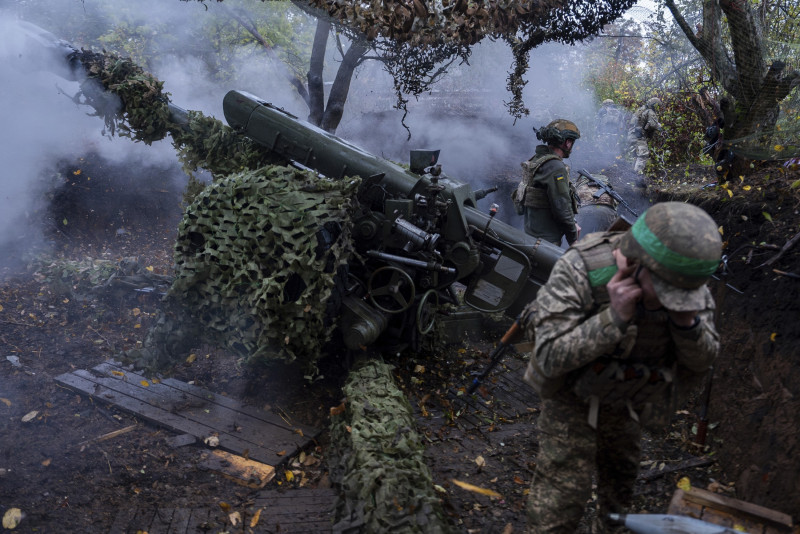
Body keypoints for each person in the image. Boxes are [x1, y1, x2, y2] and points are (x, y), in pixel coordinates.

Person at [522, 202, 722, 534]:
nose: (674, 302)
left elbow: (704, 360)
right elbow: (548, 356)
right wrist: (612, 319)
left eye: (683, 296)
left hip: (627, 401)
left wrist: (686, 325)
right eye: (667, 293)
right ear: (634, 263)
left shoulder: (684, 279)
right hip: (571, 399)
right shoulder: (581, 268)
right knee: (560, 503)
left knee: (621, 486)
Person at [512, 119, 581, 246]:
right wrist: (573, 238)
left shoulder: (537, 160)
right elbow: (562, 206)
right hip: (546, 242)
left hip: (530, 234)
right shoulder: (555, 167)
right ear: (568, 142)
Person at [627, 97, 663, 174]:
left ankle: (630, 175)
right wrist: (659, 127)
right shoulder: (650, 111)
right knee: (643, 155)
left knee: (635, 156)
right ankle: (637, 175)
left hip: (631, 135)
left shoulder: (640, 110)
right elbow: (653, 124)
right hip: (639, 136)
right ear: (654, 105)